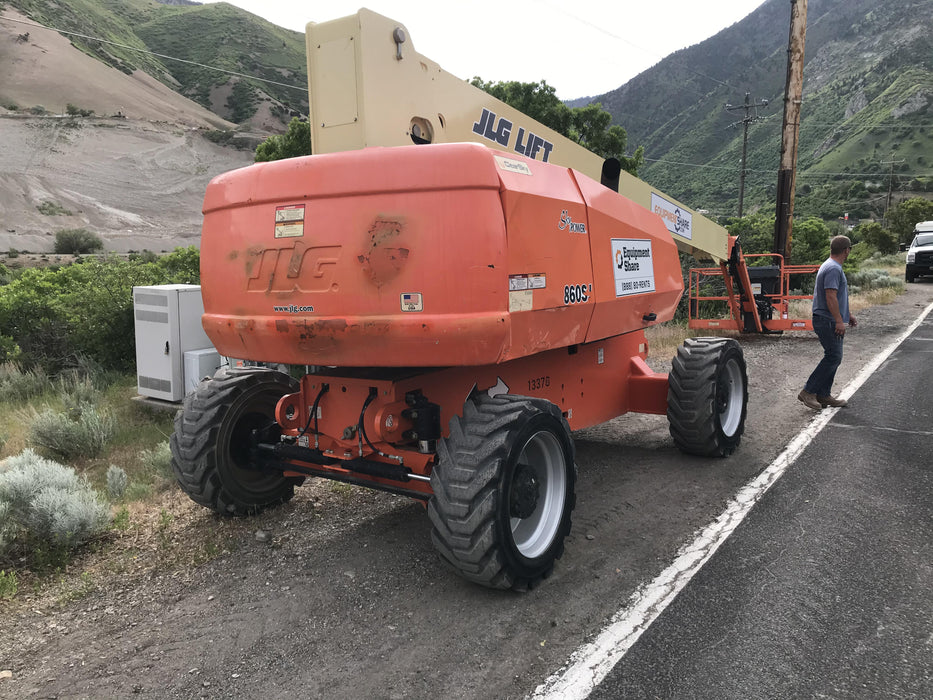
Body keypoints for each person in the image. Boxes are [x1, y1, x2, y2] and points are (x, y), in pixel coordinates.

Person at [798, 235, 857, 410]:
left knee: (833, 357)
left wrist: (847, 315)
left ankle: (823, 394)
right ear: (846, 250)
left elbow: (837, 296)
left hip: (828, 318)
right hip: (827, 320)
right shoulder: (833, 268)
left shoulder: (831, 265)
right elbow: (830, 296)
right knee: (833, 357)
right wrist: (839, 320)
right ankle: (808, 391)